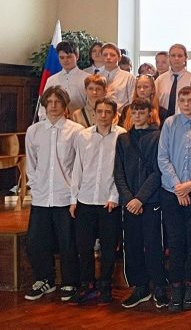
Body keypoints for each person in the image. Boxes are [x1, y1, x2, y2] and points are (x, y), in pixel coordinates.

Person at [24, 86, 84, 302]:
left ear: (65, 105)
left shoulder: (76, 131)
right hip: (41, 195)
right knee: (37, 240)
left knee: (67, 241)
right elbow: (31, 163)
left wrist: (74, 194)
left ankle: (70, 281)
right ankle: (44, 279)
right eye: (49, 102)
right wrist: (35, 186)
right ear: (44, 105)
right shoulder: (34, 131)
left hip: (65, 195)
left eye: (58, 101)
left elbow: (78, 165)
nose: (53, 105)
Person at [157, 86, 191, 312]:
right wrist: (178, 187)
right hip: (171, 192)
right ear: (178, 102)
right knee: (175, 241)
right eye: (183, 100)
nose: (187, 103)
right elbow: (163, 157)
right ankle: (176, 288)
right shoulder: (169, 124)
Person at [68, 97, 125, 305]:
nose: (103, 115)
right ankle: (87, 284)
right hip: (85, 199)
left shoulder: (121, 136)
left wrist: (114, 196)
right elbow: (78, 168)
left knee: (108, 248)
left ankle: (105, 286)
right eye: (99, 111)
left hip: (108, 201)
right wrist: (74, 198)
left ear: (114, 115)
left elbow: (121, 170)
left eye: (107, 112)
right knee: (84, 246)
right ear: (94, 114)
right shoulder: (83, 136)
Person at [114, 98, 168, 309]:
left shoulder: (158, 137)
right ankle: (140, 286)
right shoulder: (123, 139)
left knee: (154, 244)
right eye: (134, 112)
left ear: (149, 113)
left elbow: (158, 170)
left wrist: (140, 198)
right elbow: (118, 172)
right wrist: (129, 199)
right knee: (132, 245)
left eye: (141, 112)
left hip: (150, 201)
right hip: (129, 203)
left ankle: (160, 285)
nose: (137, 115)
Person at [38, 40, 89, 120]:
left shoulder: (87, 78)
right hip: (55, 123)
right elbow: (43, 106)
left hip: (80, 122)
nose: (65, 60)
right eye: (62, 57)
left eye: (69, 57)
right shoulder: (51, 80)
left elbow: (91, 105)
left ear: (77, 56)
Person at [155, 43, 191, 117]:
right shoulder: (160, 79)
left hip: (185, 118)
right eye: (173, 55)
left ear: (185, 58)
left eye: (180, 56)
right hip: (162, 119)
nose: (176, 58)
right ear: (169, 58)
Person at [99, 43, 135, 113]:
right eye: (105, 55)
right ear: (101, 57)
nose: (108, 57)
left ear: (119, 58)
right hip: (101, 115)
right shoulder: (97, 77)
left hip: (122, 116)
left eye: (112, 55)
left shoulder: (128, 77)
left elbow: (132, 102)